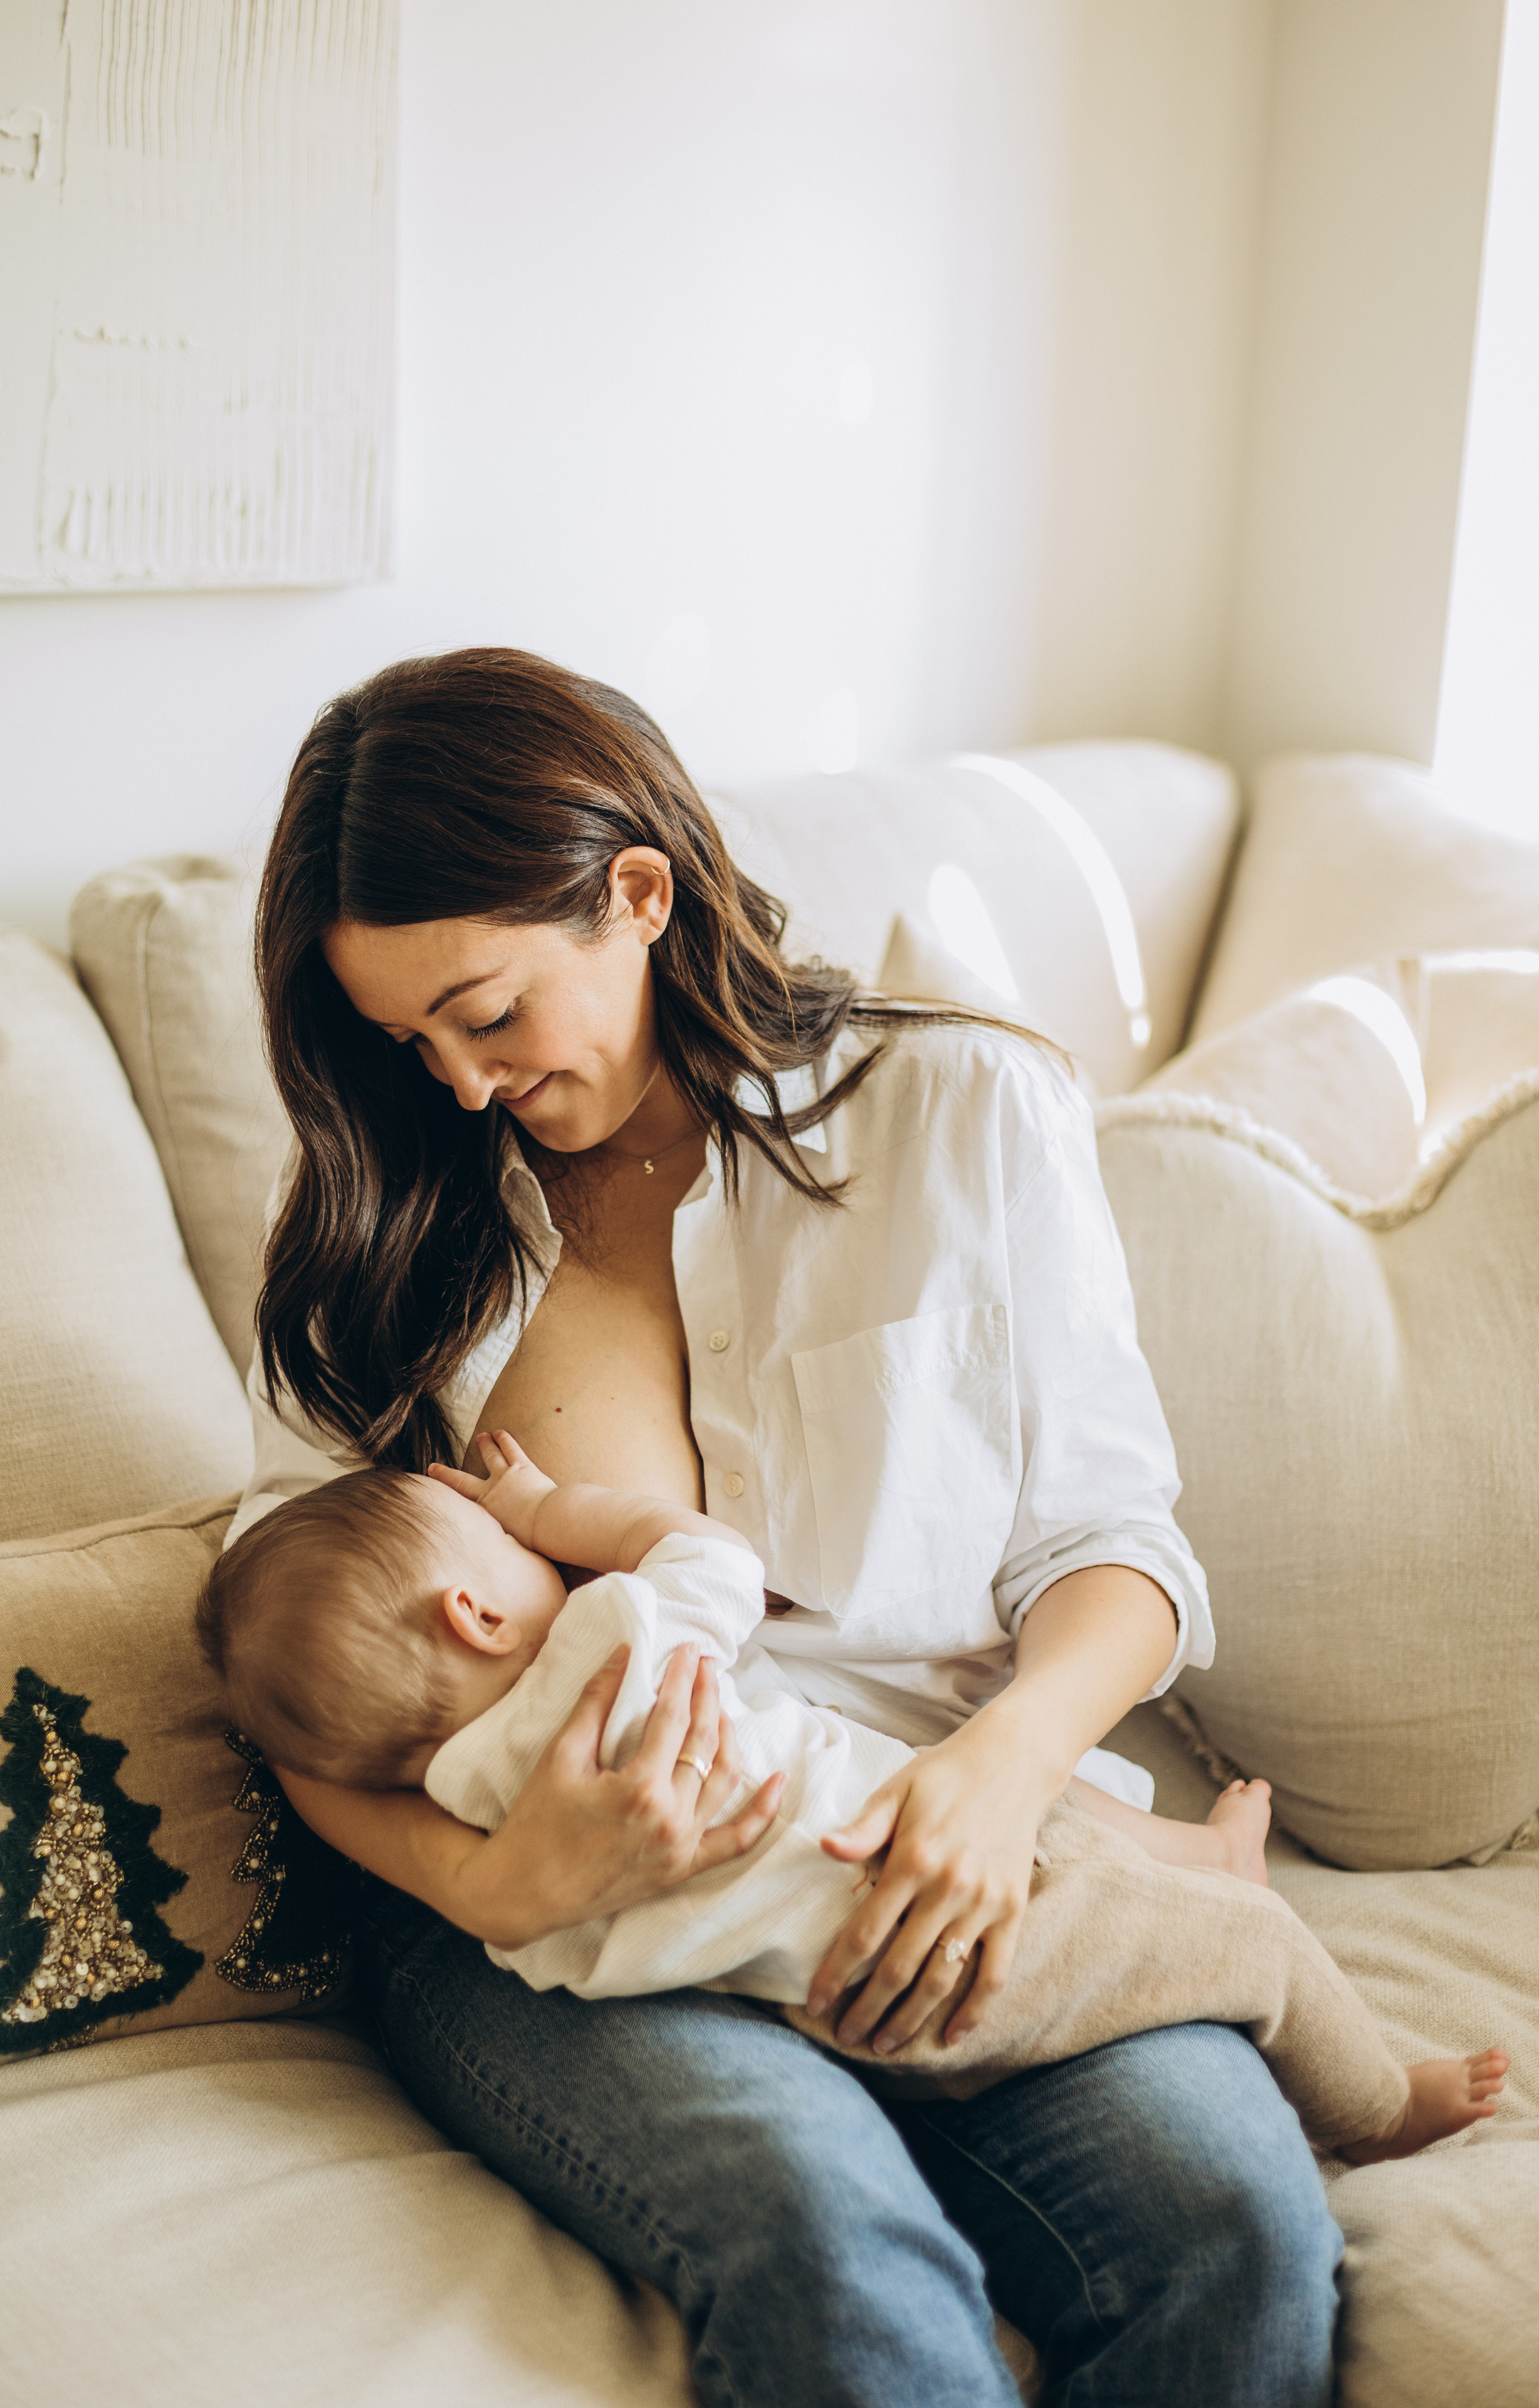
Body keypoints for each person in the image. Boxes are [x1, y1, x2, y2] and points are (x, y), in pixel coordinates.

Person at [232, 645, 1352, 2408]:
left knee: (1233, 2237)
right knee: (831, 2242)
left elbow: (1115, 1554)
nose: (452, 1085)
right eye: (405, 1042)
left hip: (937, 1836)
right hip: (561, 1926)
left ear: (639, 894)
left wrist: (997, 1775)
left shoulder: (963, 1108)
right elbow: (284, 1664)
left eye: (491, 1014)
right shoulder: (397, 1233)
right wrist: (496, 1881)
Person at [201, 1431, 1506, 2162]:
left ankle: (1195, 1856)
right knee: (1255, 1949)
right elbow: (706, 1551)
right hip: (944, 1931)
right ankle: (1380, 2104)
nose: (520, 1541)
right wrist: (552, 1503)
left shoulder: (467, 1792)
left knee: (975, 1791)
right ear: (478, 1606)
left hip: (834, 2014)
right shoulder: (612, 1641)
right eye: (500, 1547)